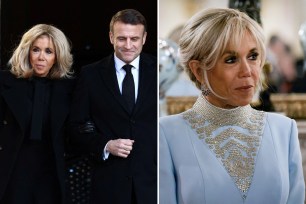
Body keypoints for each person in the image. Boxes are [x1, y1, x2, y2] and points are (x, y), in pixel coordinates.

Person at [159, 8, 305, 204]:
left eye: (253, 56)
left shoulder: (284, 130)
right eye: (231, 59)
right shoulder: (166, 133)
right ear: (199, 70)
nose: (247, 71)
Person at [67, 9, 157, 204]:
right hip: (109, 186)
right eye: (122, 38)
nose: (128, 45)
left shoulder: (159, 71)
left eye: (134, 39)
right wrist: (106, 145)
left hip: (153, 184)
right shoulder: (90, 75)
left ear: (144, 38)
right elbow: (75, 126)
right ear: (111, 37)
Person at [0, 24, 75, 204]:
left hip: (50, 173)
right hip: (12, 170)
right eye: (36, 50)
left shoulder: (69, 89)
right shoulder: (4, 82)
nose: (41, 57)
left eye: (49, 51)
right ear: (27, 52)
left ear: (57, 56)